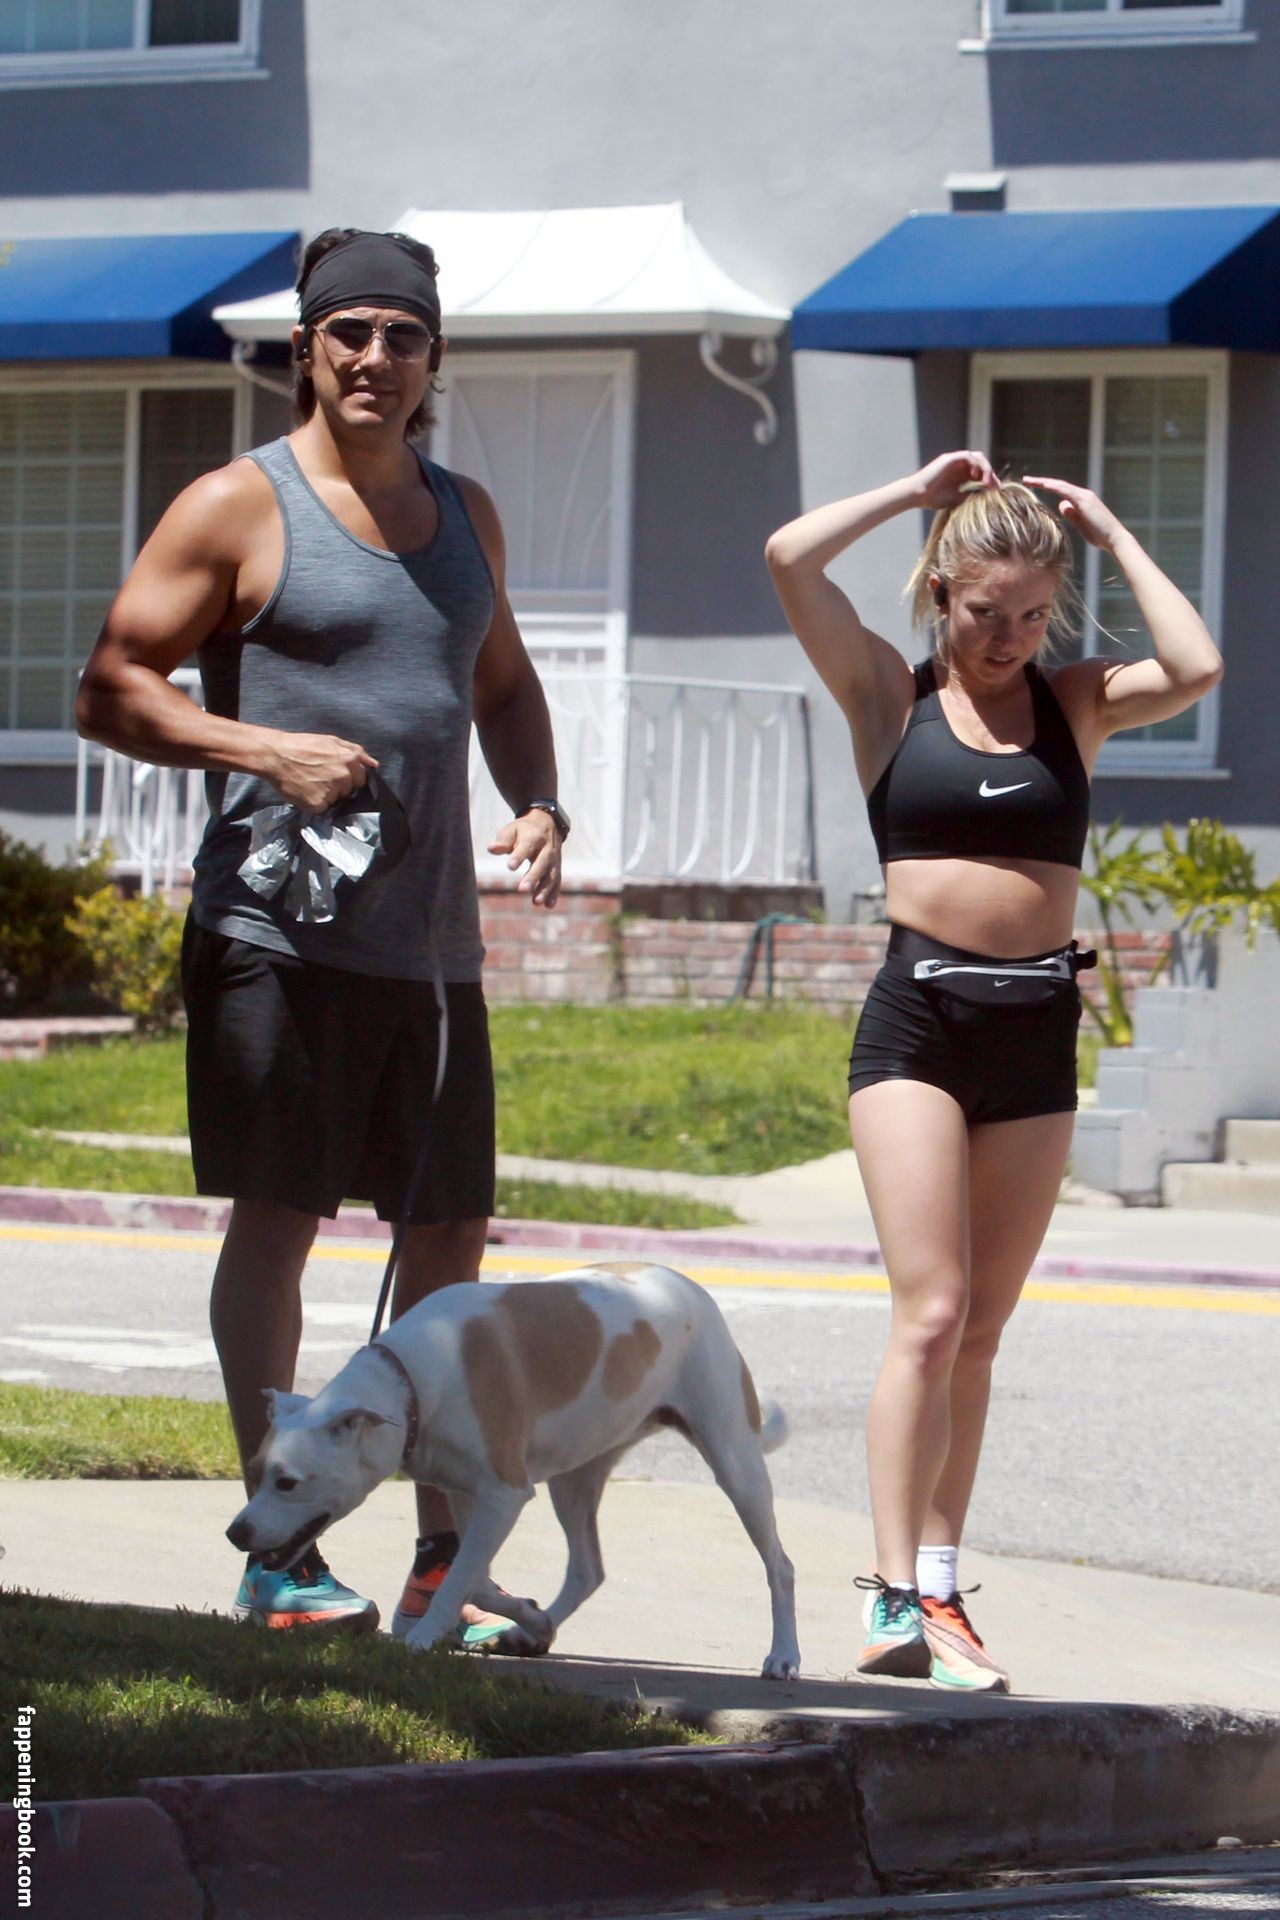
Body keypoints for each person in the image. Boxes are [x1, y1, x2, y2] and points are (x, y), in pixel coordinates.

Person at [77, 227, 570, 1643]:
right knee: (280, 1225)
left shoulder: (467, 515)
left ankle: (438, 1562)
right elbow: (112, 687)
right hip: (276, 936)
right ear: (306, 348)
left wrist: (540, 801)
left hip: (431, 950)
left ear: (432, 357)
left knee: (448, 1243)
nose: (375, 358)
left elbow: (504, 683)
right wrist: (265, 750)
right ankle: (278, 1551)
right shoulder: (239, 505)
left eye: (402, 336)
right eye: (349, 332)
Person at [766, 451, 1222, 1690]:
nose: (1007, 636)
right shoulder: (886, 694)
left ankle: (939, 1589)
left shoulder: (1073, 702)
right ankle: (884, 1596)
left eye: (1029, 614)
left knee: (978, 1333)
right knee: (927, 1312)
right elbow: (788, 558)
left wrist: (1111, 531)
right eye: (983, 611)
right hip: (915, 1023)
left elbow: (1194, 668)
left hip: (1034, 1033)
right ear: (938, 592)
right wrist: (909, 494)